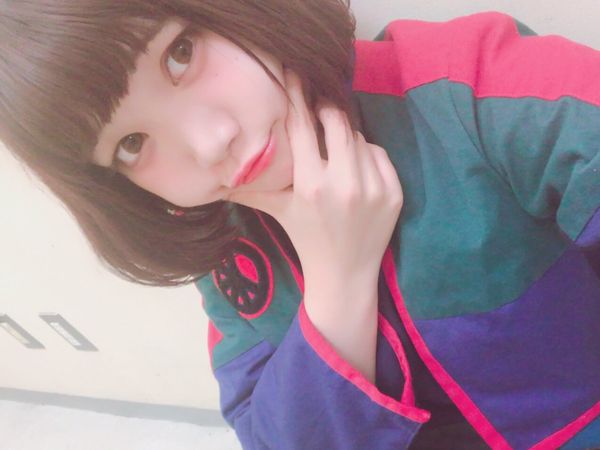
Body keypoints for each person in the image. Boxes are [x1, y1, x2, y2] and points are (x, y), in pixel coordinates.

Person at [1, 1, 599, 448]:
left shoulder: (467, 92)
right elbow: (274, 438)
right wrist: (338, 281)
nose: (210, 143)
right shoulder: (219, 242)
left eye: (180, 53)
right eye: (131, 144)